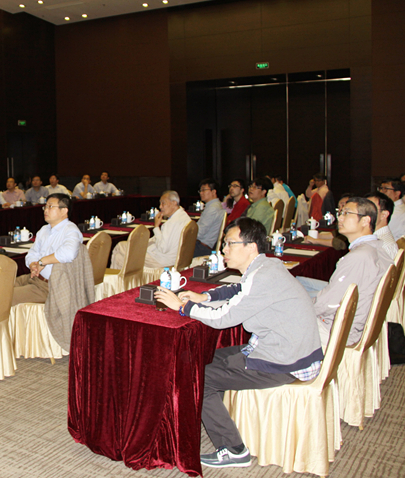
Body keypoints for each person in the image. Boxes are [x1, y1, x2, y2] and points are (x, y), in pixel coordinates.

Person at [154, 217, 323, 469]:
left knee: (199, 376)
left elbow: (224, 318)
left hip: (284, 360)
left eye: (230, 244)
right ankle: (214, 415)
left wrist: (182, 306)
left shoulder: (264, 276)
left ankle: (234, 450)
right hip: (285, 350)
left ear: (251, 246)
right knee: (206, 358)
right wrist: (204, 296)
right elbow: (237, 290)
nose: (224, 250)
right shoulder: (265, 267)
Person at [297, 197, 393, 349]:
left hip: (340, 331)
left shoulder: (358, 257)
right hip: (356, 322)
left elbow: (328, 303)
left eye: (347, 213)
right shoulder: (378, 247)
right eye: (340, 213)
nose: (340, 218)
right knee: (299, 283)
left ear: (365, 221)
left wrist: (299, 310)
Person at [12, 194, 83, 305]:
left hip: (49, 286)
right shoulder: (44, 229)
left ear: (64, 211)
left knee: (4, 296)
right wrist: (33, 265)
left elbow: (69, 253)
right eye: (45, 207)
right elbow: (32, 253)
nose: (45, 210)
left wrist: (42, 261)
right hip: (34, 278)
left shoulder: (71, 230)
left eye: (50, 206)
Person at [112, 190, 192, 269]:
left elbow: (162, 248)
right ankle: (122, 276)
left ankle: (116, 276)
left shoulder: (171, 223)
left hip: (162, 260)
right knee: (119, 257)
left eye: (163, 203)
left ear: (174, 203)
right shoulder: (184, 216)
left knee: (120, 246)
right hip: (175, 258)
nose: (160, 207)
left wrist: (156, 226)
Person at [194, 178, 227, 257]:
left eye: (204, 190)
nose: (201, 193)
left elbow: (199, 233)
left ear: (213, 192)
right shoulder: (213, 206)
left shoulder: (213, 208)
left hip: (202, 248)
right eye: (200, 191)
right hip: (201, 245)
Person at [366, 191, 398, 259]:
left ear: (384, 215)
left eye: (370, 209)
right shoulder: (375, 240)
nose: (363, 213)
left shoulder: (384, 246)